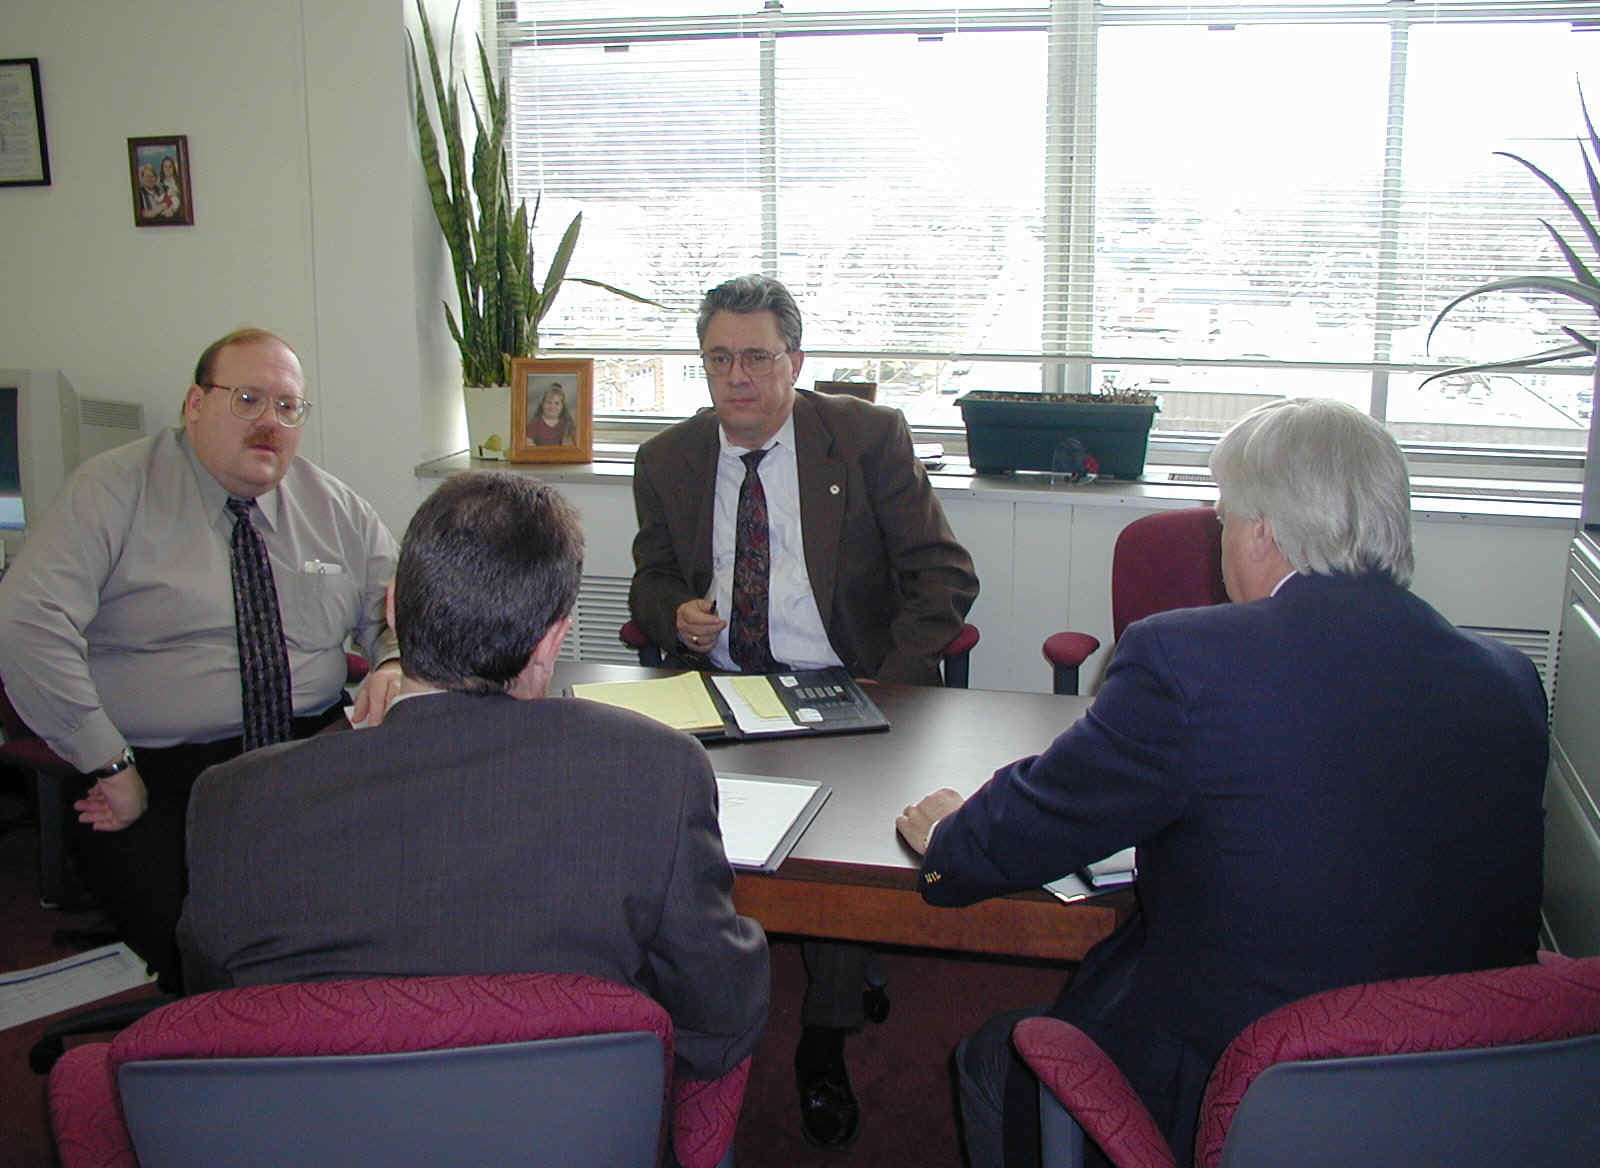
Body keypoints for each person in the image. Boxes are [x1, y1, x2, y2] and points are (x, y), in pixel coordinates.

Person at [896, 397, 1547, 1168]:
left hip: (1252, 1090)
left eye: (1224, 520)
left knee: (992, 1059)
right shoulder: (1511, 681)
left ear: (1264, 529)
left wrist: (948, 840)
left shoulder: (1188, 658)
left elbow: (1035, 820)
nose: (1220, 540)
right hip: (1464, 1095)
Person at [178, 473, 770, 1086]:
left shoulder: (230, 801)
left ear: (392, 607)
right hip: (570, 1127)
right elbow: (723, 1014)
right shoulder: (656, 771)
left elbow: (213, 1019)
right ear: (552, 641)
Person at [630, 273, 979, 1146]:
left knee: (828, 872)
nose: (736, 378)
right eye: (718, 359)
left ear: (795, 361)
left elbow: (945, 577)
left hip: (842, 681)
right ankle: (681, 1015)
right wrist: (674, 609)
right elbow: (650, 573)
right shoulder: (666, 458)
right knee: (650, 827)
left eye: (756, 358)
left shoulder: (863, 439)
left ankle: (820, 1043)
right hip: (719, 685)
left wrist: (885, 684)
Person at [0, 327, 402, 993]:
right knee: (217, 962)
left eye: (288, 406)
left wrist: (389, 662)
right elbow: (26, 622)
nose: (270, 422)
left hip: (308, 756)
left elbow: (396, 609)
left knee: (384, 913)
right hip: (158, 774)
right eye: (247, 399)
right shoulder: (112, 491)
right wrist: (109, 761)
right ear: (194, 404)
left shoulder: (334, 507)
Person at [527, 380, 576, 446]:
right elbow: (528, 443)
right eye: (549, 402)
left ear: (562, 406)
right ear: (542, 404)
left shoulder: (567, 424)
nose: (552, 406)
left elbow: (568, 447)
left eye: (557, 403)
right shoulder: (534, 424)